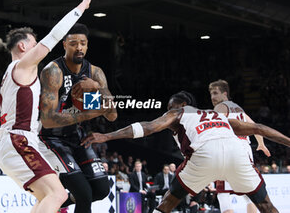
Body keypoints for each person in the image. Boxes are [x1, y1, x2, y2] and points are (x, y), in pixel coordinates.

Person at [81, 91, 290, 213]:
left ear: (182, 105)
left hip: (205, 154)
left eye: (170, 106)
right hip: (236, 153)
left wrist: (108, 136)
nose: (167, 110)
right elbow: (259, 129)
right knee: (264, 204)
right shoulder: (218, 116)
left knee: (170, 199)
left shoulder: (179, 112)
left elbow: (149, 127)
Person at [0, 0, 97, 213]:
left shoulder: (14, 72)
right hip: (19, 141)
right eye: (33, 43)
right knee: (57, 194)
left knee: (48, 197)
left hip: (18, 141)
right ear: (22, 46)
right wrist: (81, 8)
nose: (38, 46)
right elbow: (54, 36)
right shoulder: (23, 66)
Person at [38, 22, 117, 213]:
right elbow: (48, 120)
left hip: (75, 136)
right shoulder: (53, 71)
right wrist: (94, 111)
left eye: (82, 43)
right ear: (64, 44)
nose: (79, 47)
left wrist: (97, 87)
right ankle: (56, 202)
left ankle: (57, 204)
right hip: (50, 138)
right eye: (73, 43)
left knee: (101, 189)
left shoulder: (94, 73)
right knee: (84, 194)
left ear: (88, 45)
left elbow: (112, 115)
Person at [209, 79, 270, 213]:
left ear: (225, 94)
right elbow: (255, 127)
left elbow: (213, 131)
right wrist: (261, 143)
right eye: (211, 94)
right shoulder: (238, 109)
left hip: (230, 149)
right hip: (245, 149)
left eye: (215, 93)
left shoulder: (220, 107)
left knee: (223, 194)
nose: (212, 97)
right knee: (249, 194)